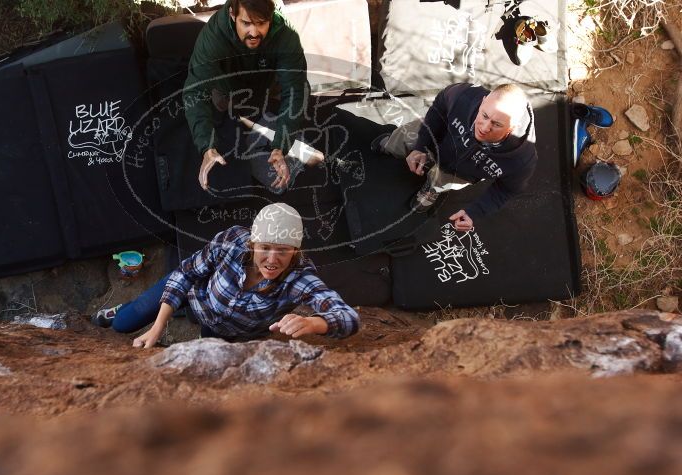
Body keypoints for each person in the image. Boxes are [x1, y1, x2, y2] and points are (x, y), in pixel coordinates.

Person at [93, 203, 360, 348]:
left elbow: (349, 317)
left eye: (283, 251)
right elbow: (185, 272)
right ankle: (122, 310)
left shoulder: (299, 276)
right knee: (123, 324)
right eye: (265, 248)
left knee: (208, 358)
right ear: (254, 244)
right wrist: (158, 328)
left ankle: (197, 330)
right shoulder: (232, 241)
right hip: (195, 294)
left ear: (295, 251)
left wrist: (315, 323)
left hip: (230, 330)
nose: (272, 259)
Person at [372, 83, 537, 232]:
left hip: (459, 173)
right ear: (483, 101)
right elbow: (440, 106)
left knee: (441, 181)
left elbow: (507, 189)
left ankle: (433, 189)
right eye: (484, 116)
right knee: (404, 140)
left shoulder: (521, 160)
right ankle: (391, 146)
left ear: (513, 125)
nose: (485, 128)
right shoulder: (463, 95)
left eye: (497, 124)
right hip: (436, 137)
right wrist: (421, 146)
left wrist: (474, 212)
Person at [183, 0, 309, 193]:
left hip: (267, 84)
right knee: (220, 117)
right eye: (246, 23)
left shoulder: (285, 35)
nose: (254, 32)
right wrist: (206, 146)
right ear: (233, 15)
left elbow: (295, 90)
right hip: (227, 91)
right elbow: (195, 91)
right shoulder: (213, 37)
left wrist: (281, 146)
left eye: (261, 23)